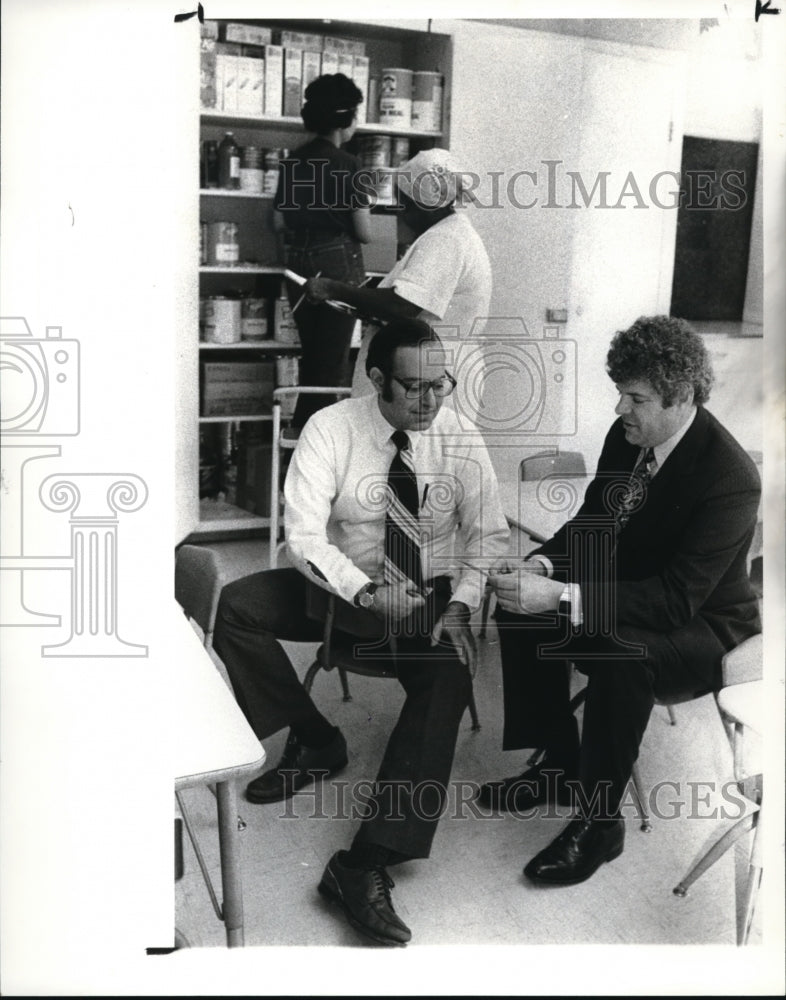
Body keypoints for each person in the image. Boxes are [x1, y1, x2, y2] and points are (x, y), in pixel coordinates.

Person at [213, 319, 509, 946]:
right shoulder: (332, 428)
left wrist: (458, 606)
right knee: (236, 607)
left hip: (429, 596)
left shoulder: (458, 434)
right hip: (347, 585)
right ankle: (317, 740)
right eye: (414, 388)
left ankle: (364, 862)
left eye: (441, 385)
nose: (431, 401)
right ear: (377, 380)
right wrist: (367, 592)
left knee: (449, 676)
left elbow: (488, 535)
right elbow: (305, 537)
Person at [483, 315, 761, 886]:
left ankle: (600, 823)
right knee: (520, 608)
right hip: (632, 600)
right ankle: (562, 763)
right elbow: (593, 523)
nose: (619, 410)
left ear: (680, 396)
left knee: (619, 648)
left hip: (705, 629)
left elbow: (674, 602)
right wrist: (541, 565)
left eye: (634, 398)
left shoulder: (729, 476)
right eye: (620, 394)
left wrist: (560, 594)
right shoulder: (630, 438)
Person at [302, 147, 492, 408]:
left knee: (424, 447)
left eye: (403, 204)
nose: (399, 213)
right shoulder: (446, 233)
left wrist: (333, 289)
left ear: (423, 204)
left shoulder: (445, 239)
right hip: (427, 368)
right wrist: (364, 298)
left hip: (433, 371)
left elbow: (402, 306)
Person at [274, 73, 371, 430]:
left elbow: (278, 222)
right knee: (330, 365)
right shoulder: (351, 166)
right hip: (337, 265)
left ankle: (302, 434)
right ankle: (317, 442)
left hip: (297, 264)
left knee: (313, 358)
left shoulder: (293, 161)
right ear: (346, 119)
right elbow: (363, 232)